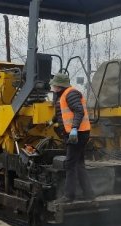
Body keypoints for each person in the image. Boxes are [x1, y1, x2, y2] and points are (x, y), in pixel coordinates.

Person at [50, 73, 95, 203]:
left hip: (78, 133)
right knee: (79, 164)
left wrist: (74, 128)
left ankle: (69, 196)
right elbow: (63, 111)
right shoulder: (63, 95)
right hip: (78, 133)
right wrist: (52, 121)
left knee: (70, 164)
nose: (52, 87)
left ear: (59, 85)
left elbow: (79, 111)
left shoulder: (71, 93)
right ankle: (89, 194)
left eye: (54, 85)